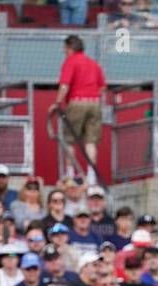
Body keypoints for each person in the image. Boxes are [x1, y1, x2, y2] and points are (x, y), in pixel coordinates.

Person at [51, 36, 106, 182]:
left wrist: (57, 103)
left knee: (69, 140)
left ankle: (69, 173)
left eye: (64, 49)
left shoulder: (70, 61)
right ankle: (91, 176)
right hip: (94, 103)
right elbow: (102, 87)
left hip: (77, 102)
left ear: (69, 48)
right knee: (91, 141)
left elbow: (64, 85)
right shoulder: (93, 63)